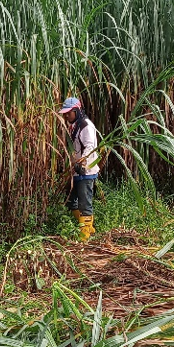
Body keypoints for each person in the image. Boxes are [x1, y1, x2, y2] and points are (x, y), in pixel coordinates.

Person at [59, 97, 101, 241]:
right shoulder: (74, 125)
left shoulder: (85, 126)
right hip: (76, 171)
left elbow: (90, 147)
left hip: (85, 171)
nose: (66, 116)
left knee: (84, 203)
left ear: (76, 111)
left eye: (68, 113)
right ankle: (87, 227)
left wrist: (82, 164)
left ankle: (84, 235)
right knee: (71, 201)